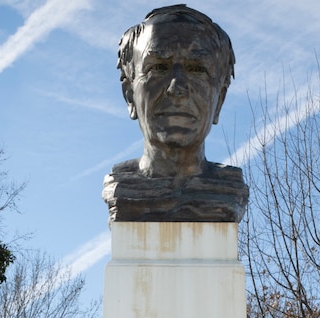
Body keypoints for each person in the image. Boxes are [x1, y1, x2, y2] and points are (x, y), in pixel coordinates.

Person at [103, 5, 248, 222]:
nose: (177, 87)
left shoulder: (228, 190)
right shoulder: (122, 186)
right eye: (158, 67)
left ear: (220, 100)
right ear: (130, 96)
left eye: (198, 69)